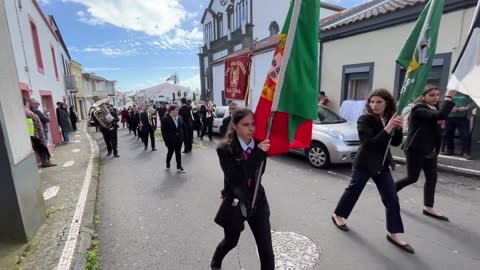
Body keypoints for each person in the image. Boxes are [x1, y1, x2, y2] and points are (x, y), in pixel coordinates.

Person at [332, 89, 414, 253]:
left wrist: (397, 127)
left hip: (382, 165)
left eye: (379, 102)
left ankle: (393, 233)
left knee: (392, 198)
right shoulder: (364, 119)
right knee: (354, 191)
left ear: (387, 103)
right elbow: (369, 143)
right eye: (372, 102)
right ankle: (338, 215)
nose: (374, 105)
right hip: (365, 163)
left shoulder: (388, 119)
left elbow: (396, 142)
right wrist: (389, 127)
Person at [210, 108, 273, 269]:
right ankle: (216, 261)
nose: (251, 128)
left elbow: (258, 174)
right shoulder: (224, 149)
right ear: (235, 125)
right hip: (237, 202)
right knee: (231, 241)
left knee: (266, 249)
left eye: (253, 124)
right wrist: (258, 153)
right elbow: (237, 177)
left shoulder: (261, 143)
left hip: (258, 201)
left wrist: (259, 150)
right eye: (245, 124)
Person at [396, 85, 456, 221]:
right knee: (412, 178)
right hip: (415, 149)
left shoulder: (433, 108)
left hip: (430, 150)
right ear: (423, 97)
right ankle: (389, 193)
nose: (435, 97)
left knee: (432, 178)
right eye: (432, 95)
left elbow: (440, 117)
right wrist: (449, 96)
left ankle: (428, 208)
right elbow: (440, 116)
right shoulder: (418, 109)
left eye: (437, 95)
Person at [24, 98, 56, 168]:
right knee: (43, 147)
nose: (38, 105)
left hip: (35, 133)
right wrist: (47, 115)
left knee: (40, 147)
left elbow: (30, 123)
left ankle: (44, 162)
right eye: (37, 104)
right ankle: (45, 162)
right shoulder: (31, 111)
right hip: (40, 132)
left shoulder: (29, 111)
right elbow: (46, 120)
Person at [443, 92, 474, 160]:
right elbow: (443, 102)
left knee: (465, 135)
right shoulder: (450, 91)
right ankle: (450, 149)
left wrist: (466, 108)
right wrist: (450, 107)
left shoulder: (467, 92)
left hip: (464, 117)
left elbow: (473, 103)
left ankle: (466, 152)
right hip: (450, 116)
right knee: (447, 133)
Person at [161, 105, 186, 173]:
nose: (177, 112)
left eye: (178, 110)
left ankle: (179, 166)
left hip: (179, 139)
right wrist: (166, 141)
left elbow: (183, 129)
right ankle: (168, 163)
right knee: (170, 152)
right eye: (176, 110)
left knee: (178, 153)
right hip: (170, 140)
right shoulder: (165, 119)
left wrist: (183, 137)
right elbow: (163, 131)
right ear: (171, 111)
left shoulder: (180, 118)